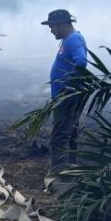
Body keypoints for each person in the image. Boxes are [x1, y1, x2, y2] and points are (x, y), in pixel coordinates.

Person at [42, 9, 87, 168]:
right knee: (70, 133)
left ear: (62, 24)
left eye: (53, 26)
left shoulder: (73, 39)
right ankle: (71, 170)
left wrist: (68, 86)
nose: (51, 30)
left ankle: (58, 174)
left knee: (59, 136)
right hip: (67, 95)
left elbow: (81, 61)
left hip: (68, 96)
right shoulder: (68, 39)